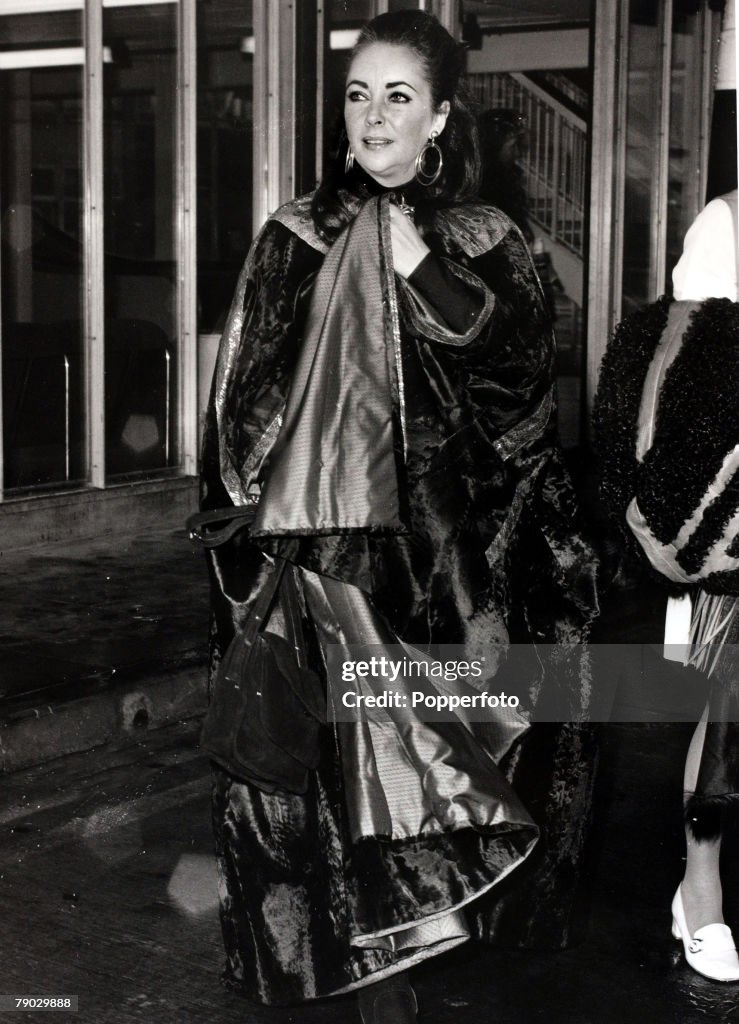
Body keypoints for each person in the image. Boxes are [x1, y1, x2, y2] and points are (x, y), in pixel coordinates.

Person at [200, 10, 599, 1022]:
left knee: (426, 764)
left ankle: (405, 948)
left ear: (439, 118)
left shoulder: (488, 237)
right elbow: (242, 398)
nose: (374, 117)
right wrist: (255, 524)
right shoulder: (295, 235)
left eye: (399, 96)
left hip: (446, 552)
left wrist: (417, 259)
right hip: (328, 548)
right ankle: (355, 960)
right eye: (358, 93)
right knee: (333, 767)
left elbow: (519, 397)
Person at [594, 189, 739, 983]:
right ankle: (700, 888)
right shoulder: (726, 227)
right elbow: (675, 403)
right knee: (730, 717)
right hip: (732, 529)